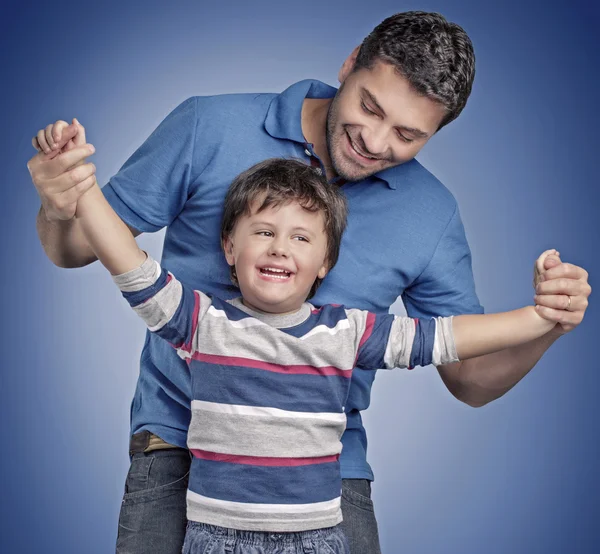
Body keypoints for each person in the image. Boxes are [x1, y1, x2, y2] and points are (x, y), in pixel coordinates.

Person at [28, 11, 591, 554]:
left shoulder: (429, 218)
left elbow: (468, 376)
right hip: (177, 454)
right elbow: (85, 249)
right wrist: (64, 203)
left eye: (407, 135)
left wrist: (548, 323)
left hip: (329, 477)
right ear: (349, 64)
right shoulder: (207, 126)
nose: (374, 141)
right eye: (370, 107)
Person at [73, 154, 559, 553]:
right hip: (214, 537)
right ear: (229, 247)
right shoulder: (200, 322)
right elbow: (130, 266)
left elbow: (447, 337)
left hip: (317, 539)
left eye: (300, 238)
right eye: (263, 232)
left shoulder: (346, 332)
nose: (280, 248)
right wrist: (79, 185)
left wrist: (540, 316)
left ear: (325, 261)